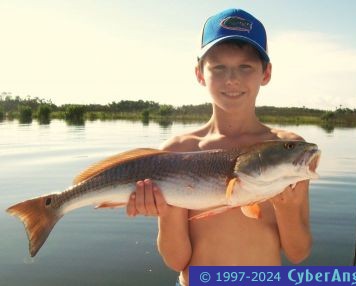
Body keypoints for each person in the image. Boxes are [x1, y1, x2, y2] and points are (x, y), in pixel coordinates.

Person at [126, 8, 314, 286]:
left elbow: (298, 253)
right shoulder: (179, 150)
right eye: (219, 67)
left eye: (245, 67)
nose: (232, 79)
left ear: (266, 72)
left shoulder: (288, 150)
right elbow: (176, 261)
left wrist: (288, 207)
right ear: (200, 73)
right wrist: (168, 212)